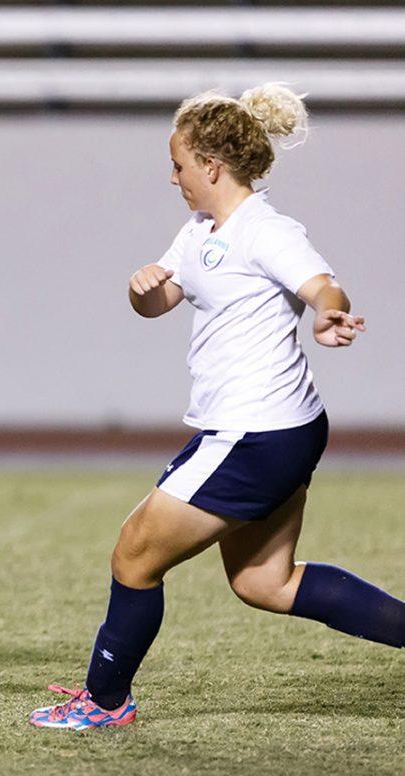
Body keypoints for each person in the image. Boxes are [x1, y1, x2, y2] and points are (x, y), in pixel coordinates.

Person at [30, 84, 404, 730]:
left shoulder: (266, 229)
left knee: (133, 555)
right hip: (279, 429)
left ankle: (104, 701)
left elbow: (322, 283)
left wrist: (329, 315)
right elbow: (162, 300)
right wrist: (139, 288)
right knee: (266, 582)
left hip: (255, 432)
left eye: (177, 164)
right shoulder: (200, 230)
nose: (170, 175)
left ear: (211, 165)